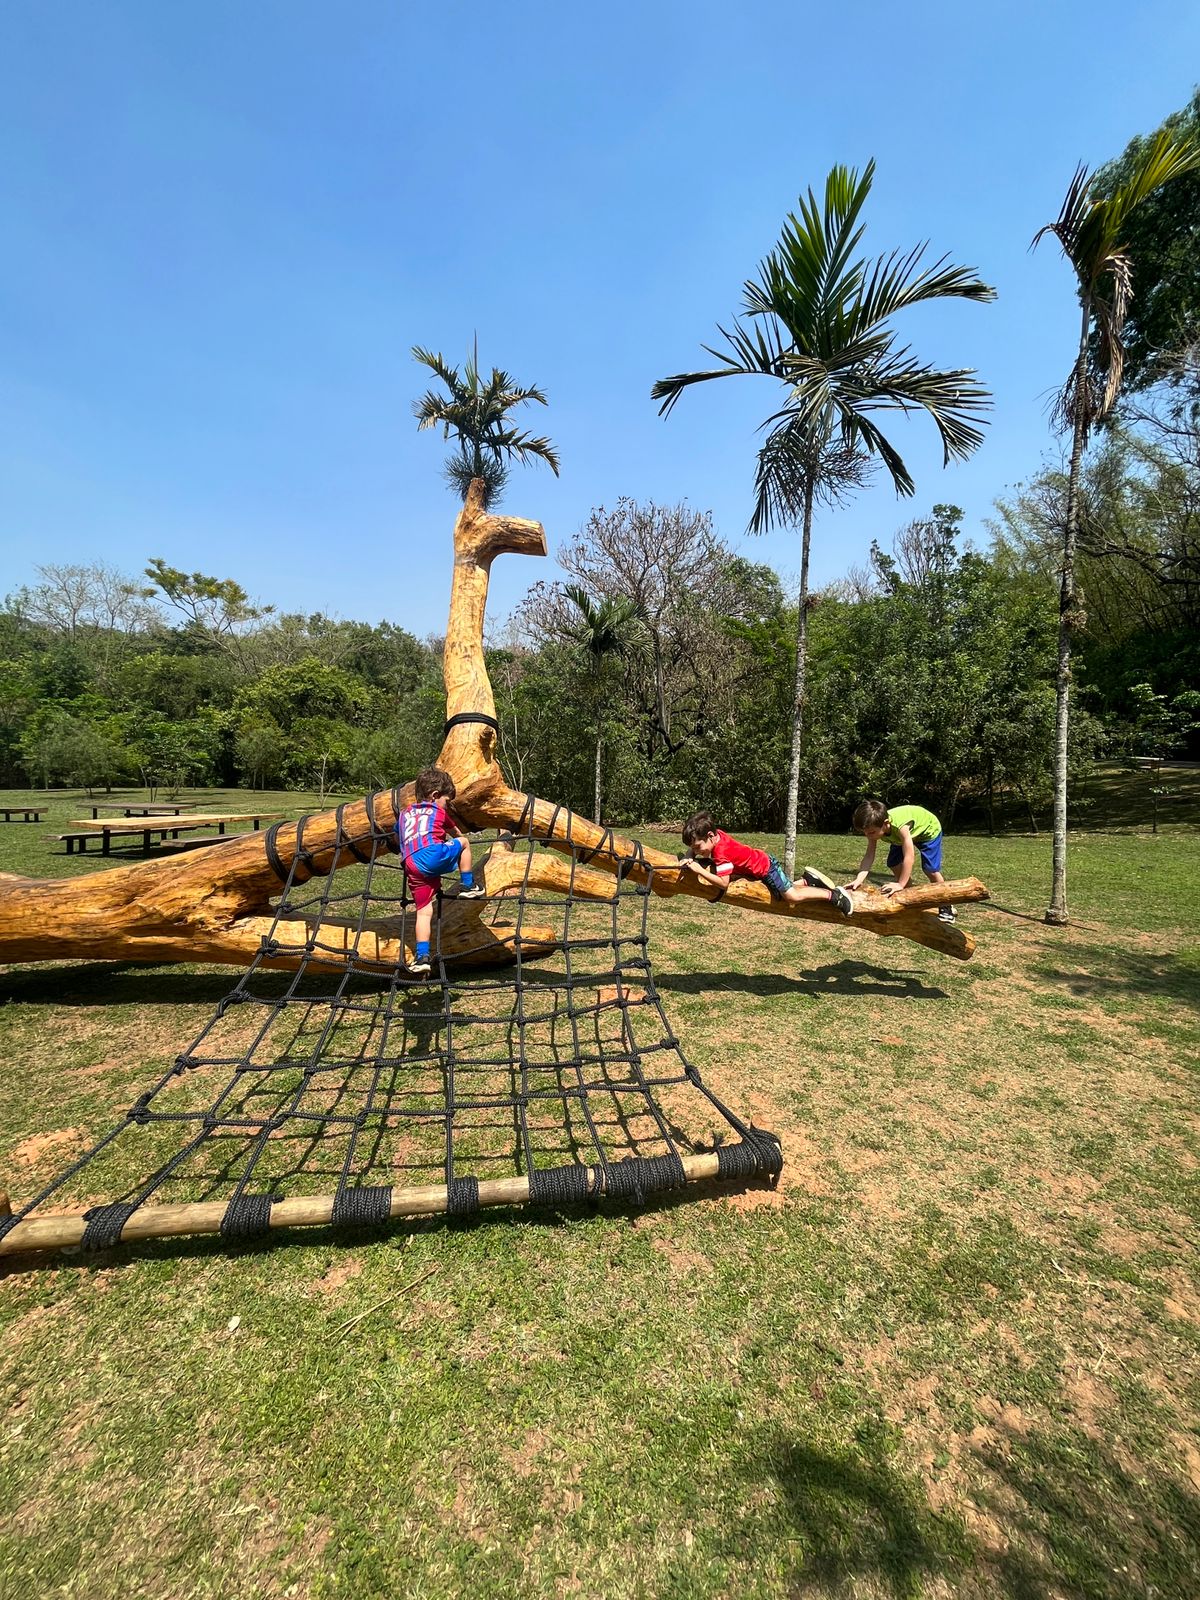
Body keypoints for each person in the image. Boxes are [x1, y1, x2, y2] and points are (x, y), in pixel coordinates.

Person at [679, 811, 854, 915]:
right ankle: (808, 881)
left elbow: (723, 884)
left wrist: (699, 870)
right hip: (759, 866)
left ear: (710, 836)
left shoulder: (721, 852)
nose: (696, 851)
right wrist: (689, 856)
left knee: (791, 897)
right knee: (782, 892)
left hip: (767, 868)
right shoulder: (716, 835)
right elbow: (697, 848)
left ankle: (834, 895)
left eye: (697, 847)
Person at [398, 767, 484, 976]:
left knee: (423, 911)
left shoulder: (404, 814)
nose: (447, 805)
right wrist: (453, 837)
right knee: (464, 843)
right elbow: (457, 833)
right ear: (435, 795)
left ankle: (422, 957)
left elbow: (397, 833)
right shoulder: (438, 811)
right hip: (430, 854)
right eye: (446, 800)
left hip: (410, 863)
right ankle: (468, 884)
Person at [847, 799, 956, 923]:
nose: (868, 836)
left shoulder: (900, 827)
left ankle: (946, 905)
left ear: (886, 823)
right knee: (893, 863)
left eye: (871, 832)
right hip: (902, 837)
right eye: (865, 833)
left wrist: (900, 884)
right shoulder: (875, 827)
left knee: (930, 870)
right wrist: (859, 879)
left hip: (928, 831)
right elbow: (869, 855)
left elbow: (909, 857)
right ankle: (910, 896)